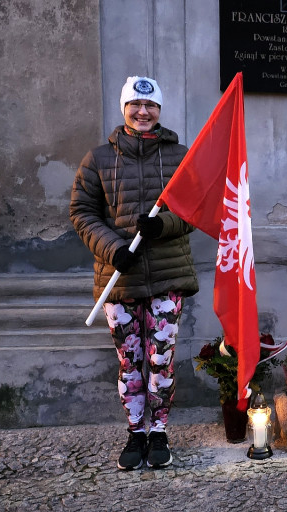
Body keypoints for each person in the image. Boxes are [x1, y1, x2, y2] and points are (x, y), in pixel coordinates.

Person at [70, 76, 199, 470]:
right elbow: (82, 213)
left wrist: (165, 226)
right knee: (131, 363)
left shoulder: (180, 156)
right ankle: (135, 433)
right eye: (136, 105)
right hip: (119, 280)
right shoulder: (98, 160)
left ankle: (159, 431)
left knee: (160, 359)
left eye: (151, 106)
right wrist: (113, 249)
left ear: (159, 110)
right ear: (125, 108)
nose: (143, 112)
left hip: (166, 276)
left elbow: (194, 210)